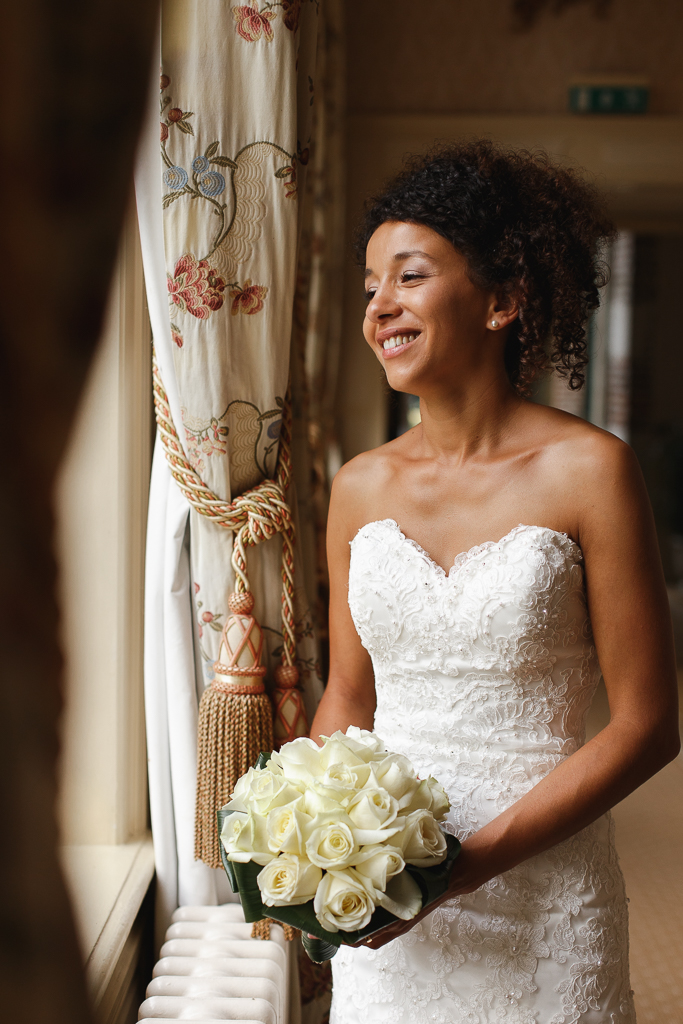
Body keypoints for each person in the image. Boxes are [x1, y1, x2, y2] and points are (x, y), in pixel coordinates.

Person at [310, 141, 680, 1024]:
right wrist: (319, 842)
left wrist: (464, 865)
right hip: (393, 903)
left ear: (504, 299)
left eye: (408, 277)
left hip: (545, 893)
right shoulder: (358, 487)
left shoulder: (592, 471)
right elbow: (348, 697)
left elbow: (647, 724)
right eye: (370, 288)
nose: (380, 307)